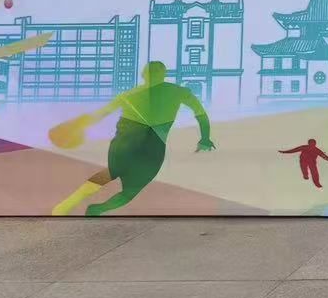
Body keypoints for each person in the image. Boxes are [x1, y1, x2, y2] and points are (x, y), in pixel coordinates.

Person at [50, 61, 214, 216]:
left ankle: (66, 205)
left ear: (143, 75)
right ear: (164, 74)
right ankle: (97, 209)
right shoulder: (180, 92)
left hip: (125, 142)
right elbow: (200, 114)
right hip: (153, 145)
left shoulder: (128, 95)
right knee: (129, 192)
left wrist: (76, 127)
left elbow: (100, 114)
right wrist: (205, 138)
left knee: (109, 173)